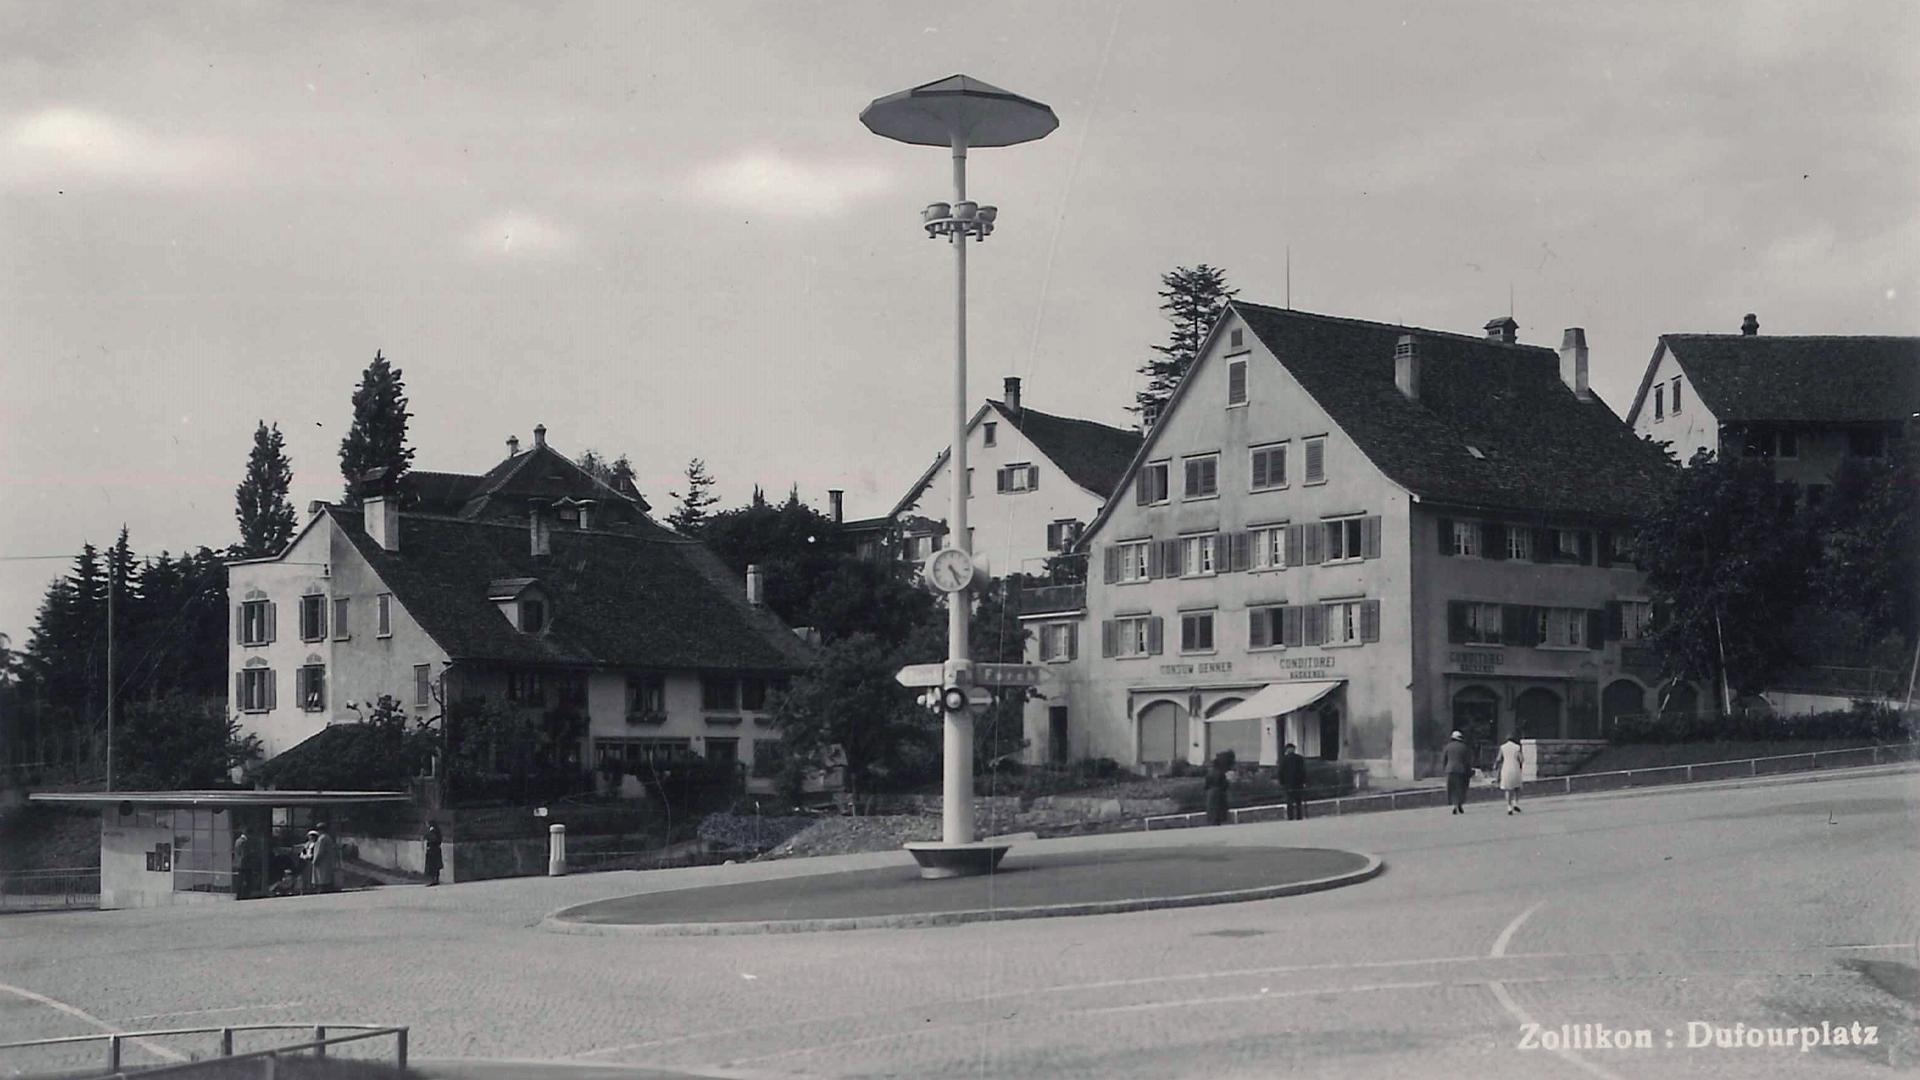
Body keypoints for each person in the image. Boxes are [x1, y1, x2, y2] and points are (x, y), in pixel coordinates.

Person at [1442, 730, 1473, 815]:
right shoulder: (1464, 747)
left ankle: (1454, 805)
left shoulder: (1447, 747)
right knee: (1461, 788)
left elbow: (1444, 759)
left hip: (1450, 770)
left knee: (1452, 789)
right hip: (1461, 770)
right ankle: (1459, 804)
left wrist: (1445, 768)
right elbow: (1467, 761)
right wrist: (1469, 771)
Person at [1278, 743, 1307, 821]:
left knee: (1290, 801)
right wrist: (1304, 781)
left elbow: (1280, 772)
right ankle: (1299, 816)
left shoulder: (1284, 759)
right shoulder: (1299, 758)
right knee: (1298, 801)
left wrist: (1282, 782)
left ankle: (1290, 817)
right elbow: (1303, 771)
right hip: (1298, 783)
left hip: (1289, 783)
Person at [1203, 751, 1233, 826]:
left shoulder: (1209, 773)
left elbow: (1206, 785)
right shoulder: (1221, 773)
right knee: (1219, 810)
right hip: (1219, 793)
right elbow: (1225, 784)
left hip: (1210, 794)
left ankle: (1212, 821)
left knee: (1211, 810)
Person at [310, 821, 340, 893]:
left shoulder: (321, 839)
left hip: (321, 863)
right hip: (328, 862)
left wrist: (315, 860)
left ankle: (322, 890)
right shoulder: (328, 837)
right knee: (327, 878)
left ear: (320, 830)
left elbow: (320, 851)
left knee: (321, 878)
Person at [1498, 735, 1525, 814]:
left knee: (1508, 788)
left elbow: (1499, 758)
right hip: (1515, 767)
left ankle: (1509, 807)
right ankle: (1515, 803)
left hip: (1506, 767)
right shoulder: (1517, 747)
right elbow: (1521, 759)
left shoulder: (1502, 747)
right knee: (1517, 788)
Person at [232, 827, 258, 900]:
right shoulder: (244, 842)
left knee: (241, 880)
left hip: (240, 863)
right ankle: (244, 895)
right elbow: (244, 854)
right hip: (245, 864)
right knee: (247, 880)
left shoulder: (238, 841)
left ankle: (240, 895)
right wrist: (251, 854)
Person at [423, 820, 443, 887]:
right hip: (436, 849)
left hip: (432, 850)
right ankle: (436, 879)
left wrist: (426, 837)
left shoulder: (432, 831)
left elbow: (433, 838)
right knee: (436, 866)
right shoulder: (437, 830)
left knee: (432, 865)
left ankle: (433, 880)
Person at [300, 829, 320, 894]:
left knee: (311, 875)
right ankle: (305, 888)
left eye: (312, 836)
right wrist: (303, 855)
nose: (311, 837)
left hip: (311, 861)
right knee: (305, 875)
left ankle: (311, 888)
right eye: (310, 836)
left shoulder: (316, 844)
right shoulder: (307, 844)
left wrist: (310, 856)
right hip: (305, 862)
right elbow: (303, 852)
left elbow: (315, 853)